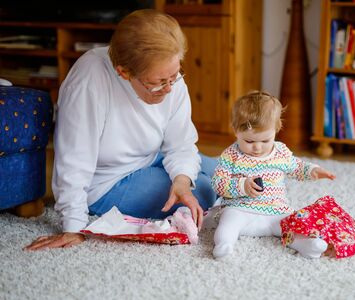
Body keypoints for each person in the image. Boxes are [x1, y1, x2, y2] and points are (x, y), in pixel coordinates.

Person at [26, 9, 217, 251]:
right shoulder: (89, 81)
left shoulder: (169, 76)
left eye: (174, 76)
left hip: (149, 157)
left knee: (225, 172)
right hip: (107, 181)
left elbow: (180, 144)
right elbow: (73, 161)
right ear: (124, 73)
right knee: (205, 191)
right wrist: (73, 226)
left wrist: (181, 180)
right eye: (158, 82)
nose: (170, 88)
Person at [211, 91, 336, 259]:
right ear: (235, 131)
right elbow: (218, 182)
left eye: (264, 141)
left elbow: (297, 167)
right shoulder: (231, 155)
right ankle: (224, 245)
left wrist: (313, 170)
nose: (257, 148)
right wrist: (242, 185)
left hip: (276, 210)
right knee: (228, 224)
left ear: (276, 130)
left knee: (292, 226)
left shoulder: (281, 152)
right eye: (249, 141)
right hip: (241, 209)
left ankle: (308, 246)